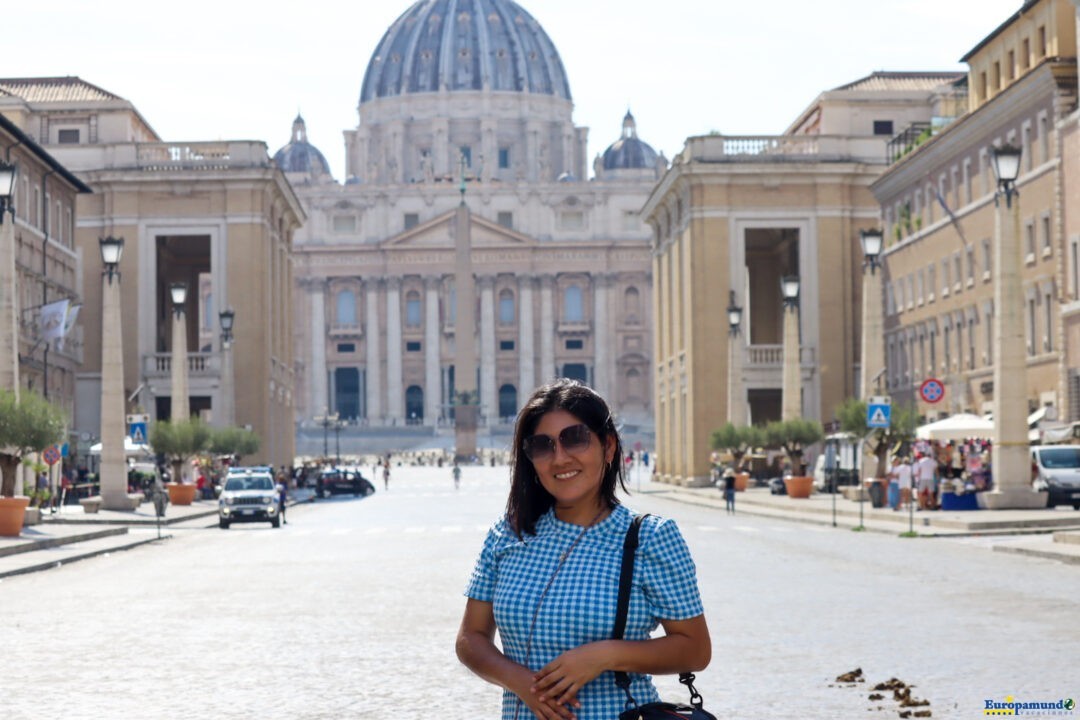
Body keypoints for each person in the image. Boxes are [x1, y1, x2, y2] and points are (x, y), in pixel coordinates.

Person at [456, 379, 711, 720]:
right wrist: (523, 684)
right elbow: (470, 638)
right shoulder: (508, 533)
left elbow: (695, 648)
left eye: (574, 438)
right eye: (542, 446)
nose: (560, 458)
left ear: (608, 447)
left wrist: (605, 655)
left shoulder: (649, 538)